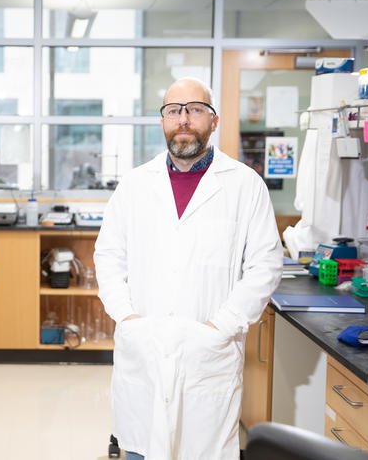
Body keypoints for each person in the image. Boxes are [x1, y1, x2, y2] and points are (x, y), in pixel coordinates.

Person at [94, 77, 282, 459]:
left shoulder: (245, 186)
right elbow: (108, 257)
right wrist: (127, 318)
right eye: (173, 111)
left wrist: (221, 327)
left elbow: (265, 266)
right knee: (140, 449)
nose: (183, 120)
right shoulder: (134, 185)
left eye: (195, 110)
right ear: (162, 121)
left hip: (207, 354)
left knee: (203, 450)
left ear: (213, 121)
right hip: (144, 349)